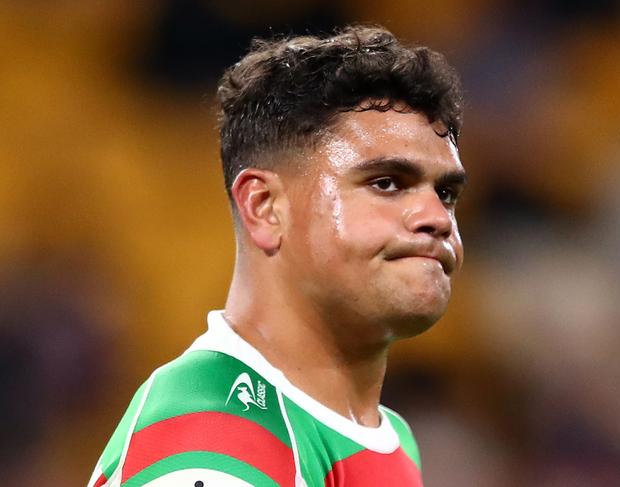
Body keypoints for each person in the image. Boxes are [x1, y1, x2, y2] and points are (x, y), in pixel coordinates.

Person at [88, 24, 466, 487]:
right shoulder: (213, 442)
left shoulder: (389, 436)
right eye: (386, 183)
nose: (437, 218)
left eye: (445, 193)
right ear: (265, 207)